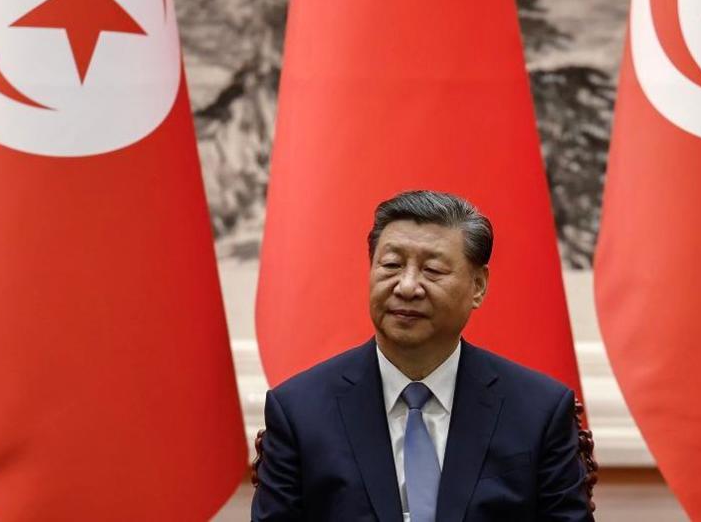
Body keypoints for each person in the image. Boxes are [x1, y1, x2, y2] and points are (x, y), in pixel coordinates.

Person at [251, 190, 593, 521]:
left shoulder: (539, 411)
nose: (407, 286)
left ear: (478, 286)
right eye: (391, 265)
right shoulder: (299, 411)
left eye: (432, 270)